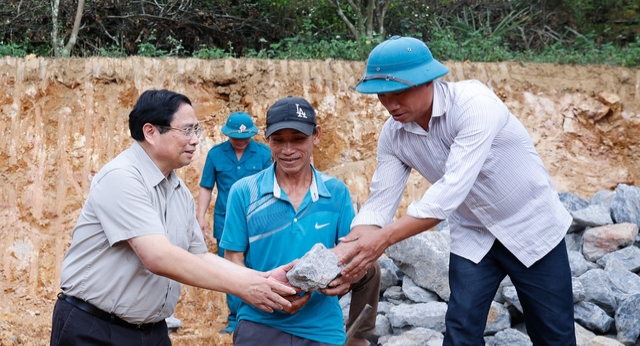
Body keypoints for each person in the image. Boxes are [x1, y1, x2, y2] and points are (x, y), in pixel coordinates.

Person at [337, 36, 576, 345]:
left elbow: (449, 193)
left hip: (532, 226)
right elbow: (380, 201)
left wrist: (381, 241)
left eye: (399, 92)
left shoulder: (475, 105)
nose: (390, 104)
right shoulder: (394, 135)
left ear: (428, 82)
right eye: (382, 95)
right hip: (474, 235)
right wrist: (351, 247)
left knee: (553, 333)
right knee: (461, 330)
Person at [50, 89, 297, 346]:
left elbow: (199, 255)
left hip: (151, 332)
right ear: (151, 132)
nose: (195, 140)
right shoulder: (121, 177)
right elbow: (158, 257)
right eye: (187, 130)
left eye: (196, 131)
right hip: (96, 329)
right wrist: (244, 288)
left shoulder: (178, 191)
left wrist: (259, 279)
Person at [221, 96, 380, 346]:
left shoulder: (336, 193)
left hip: (322, 328)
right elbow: (232, 260)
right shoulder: (244, 192)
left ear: (316, 135)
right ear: (266, 138)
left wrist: (347, 279)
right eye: (278, 140)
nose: (288, 150)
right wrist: (261, 293)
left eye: (298, 139)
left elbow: (349, 254)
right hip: (259, 323)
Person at [197, 111, 272, 334]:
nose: (240, 141)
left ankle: (259, 315)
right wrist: (200, 216)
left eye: (245, 137)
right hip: (226, 222)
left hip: (258, 221)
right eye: (236, 137)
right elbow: (206, 187)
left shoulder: (263, 153)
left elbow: (273, 183)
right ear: (227, 135)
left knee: (257, 265)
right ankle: (235, 318)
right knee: (230, 268)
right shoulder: (215, 154)